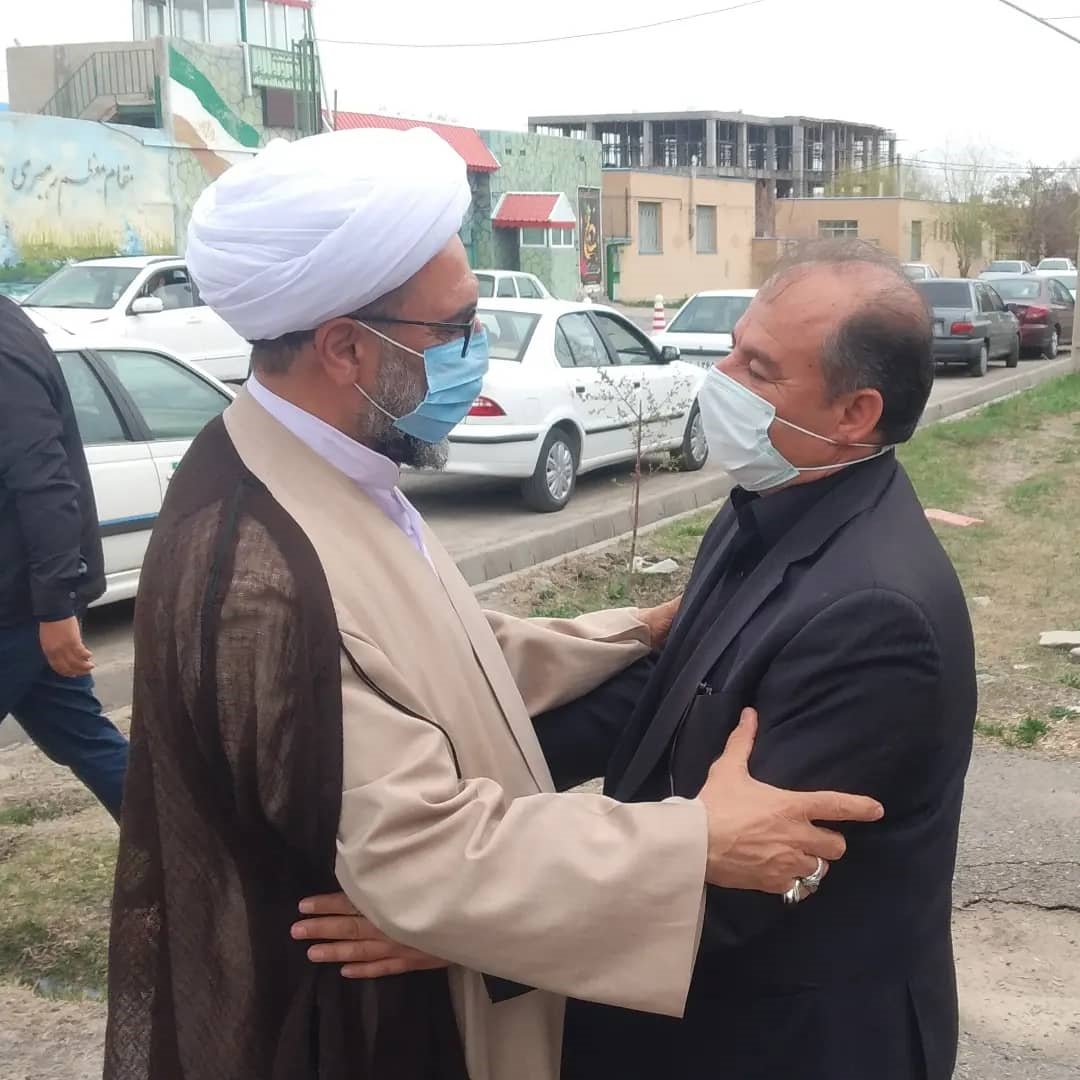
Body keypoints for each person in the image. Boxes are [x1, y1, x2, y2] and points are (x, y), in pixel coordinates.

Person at [103, 130, 882, 1080]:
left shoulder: (328, 470)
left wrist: (630, 631)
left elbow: (434, 653)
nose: (480, 353)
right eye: (458, 329)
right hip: (359, 1029)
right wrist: (698, 842)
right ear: (345, 348)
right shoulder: (256, 565)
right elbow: (423, 850)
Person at [300, 241, 977, 1080]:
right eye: (733, 346)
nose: (720, 375)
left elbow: (752, 878)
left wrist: (464, 925)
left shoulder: (875, 617)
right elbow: (664, 699)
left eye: (759, 368)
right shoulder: (770, 507)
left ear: (854, 413)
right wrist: (452, 790)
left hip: (785, 1038)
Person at [0, 294, 128, 821]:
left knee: (86, 740)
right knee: (86, 740)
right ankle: (190, 849)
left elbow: (46, 483)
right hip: (26, 605)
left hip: (16, 607)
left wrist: (55, 609)